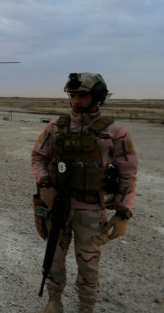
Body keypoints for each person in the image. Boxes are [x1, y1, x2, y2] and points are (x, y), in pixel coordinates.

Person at [31, 73, 137, 313]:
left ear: (97, 96)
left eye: (83, 95)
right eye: (73, 95)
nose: (76, 100)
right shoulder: (56, 127)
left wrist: (123, 213)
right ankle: (54, 300)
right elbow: (38, 157)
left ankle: (86, 306)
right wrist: (45, 184)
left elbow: (128, 173)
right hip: (58, 205)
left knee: (89, 263)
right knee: (54, 257)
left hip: (91, 209)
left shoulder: (115, 132)